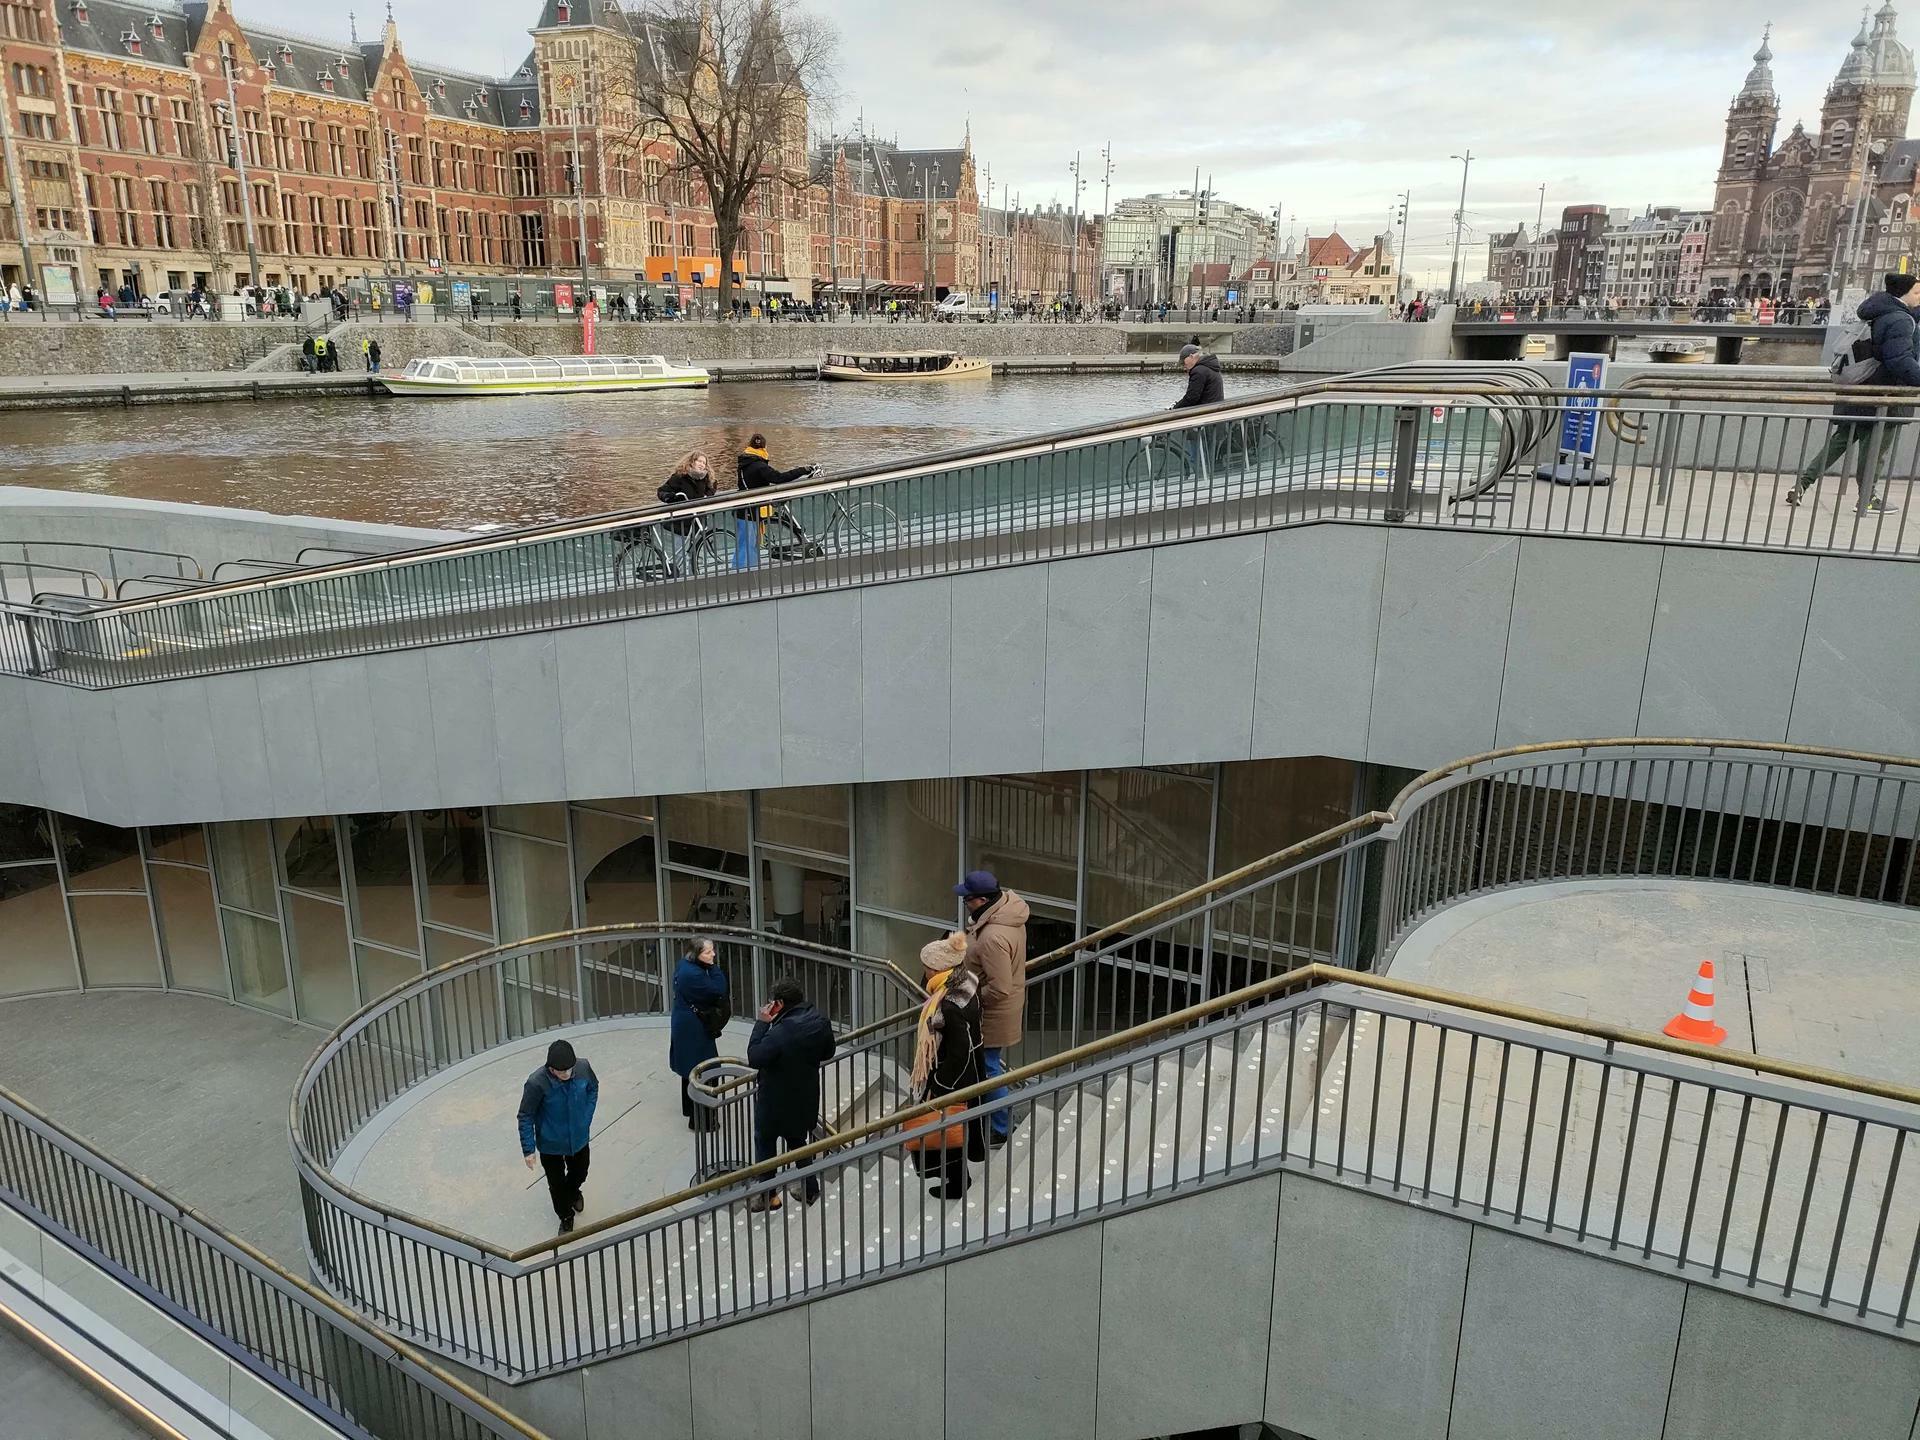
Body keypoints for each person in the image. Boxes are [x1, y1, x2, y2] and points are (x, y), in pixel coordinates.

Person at [1786, 271, 1919, 515]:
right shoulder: (1900, 320)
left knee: (1841, 440)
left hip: (1859, 385)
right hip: (1885, 392)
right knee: (1875, 449)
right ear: (1904, 294)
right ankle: (1867, 498)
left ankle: (1803, 483)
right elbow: (1899, 359)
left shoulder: (1879, 310)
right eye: (1917, 292)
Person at [745, 979, 836, 1212]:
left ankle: (768, 1195)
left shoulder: (780, 1033)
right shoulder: (820, 1020)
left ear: (780, 1003)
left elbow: (755, 1057)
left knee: (765, 1143)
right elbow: (828, 1051)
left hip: (774, 1100)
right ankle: (810, 1188)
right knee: (798, 1142)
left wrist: (761, 1023)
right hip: (805, 1096)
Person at [911, 930, 988, 1199]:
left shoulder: (950, 1004)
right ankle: (957, 1177)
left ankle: (957, 1182)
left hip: (955, 1075)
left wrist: (940, 1083)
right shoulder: (967, 981)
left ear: (938, 969)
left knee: (949, 1128)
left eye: (927, 968)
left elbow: (959, 1050)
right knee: (958, 1126)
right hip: (971, 1069)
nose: (925, 973)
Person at [955, 870, 1029, 1145]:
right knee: (987, 1066)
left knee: (988, 1068)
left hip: (991, 1014)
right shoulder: (1006, 913)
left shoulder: (993, 937)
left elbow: (999, 987)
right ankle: (996, 1118)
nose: (965, 903)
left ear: (983, 900)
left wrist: (966, 1000)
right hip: (997, 1009)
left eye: (968, 899)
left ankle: (1001, 1127)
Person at [516, 1038, 599, 1236]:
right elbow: (525, 1115)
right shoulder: (536, 1083)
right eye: (561, 1071)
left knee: (580, 1171)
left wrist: (585, 1118)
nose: (566, 1074)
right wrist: (529, 1149)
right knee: (556, 1183)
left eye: (569, 1070)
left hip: (578, 1137)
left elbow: (593, 1088)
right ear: (551, 1069)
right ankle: (565, 1216)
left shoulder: (583, 1067)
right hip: (550, 1143)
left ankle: (573, 1192)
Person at [670, 939, 728, 1128]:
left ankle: (689, 1108)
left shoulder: (684, 966)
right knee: (706, 1068)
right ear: (696, 955)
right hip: (695, 1027)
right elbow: (719, 989)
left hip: (685, 1023)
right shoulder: (695, 975)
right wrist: (713, 969)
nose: (713, 955)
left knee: (689, 1066)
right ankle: (702, 1121)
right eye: (707, 952)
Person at [734, 433, 815, 568]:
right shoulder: (759, 465)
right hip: (749, 510)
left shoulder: (745, 462)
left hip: (745, 509)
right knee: (747, 545)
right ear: (764, 448)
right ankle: (740, 576)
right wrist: (802, 470)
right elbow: (779, 477)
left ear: (749, 447)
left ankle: (750, 572)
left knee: (748, 544)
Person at [1172, 342, 1224, 410]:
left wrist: (1175, 408)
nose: (1184, 366)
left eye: (1183, 362)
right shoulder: (1210, 366)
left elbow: (1191, 398)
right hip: (1215, 409)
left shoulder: (1199, 371)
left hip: (1206, 413)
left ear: (1191, 356)